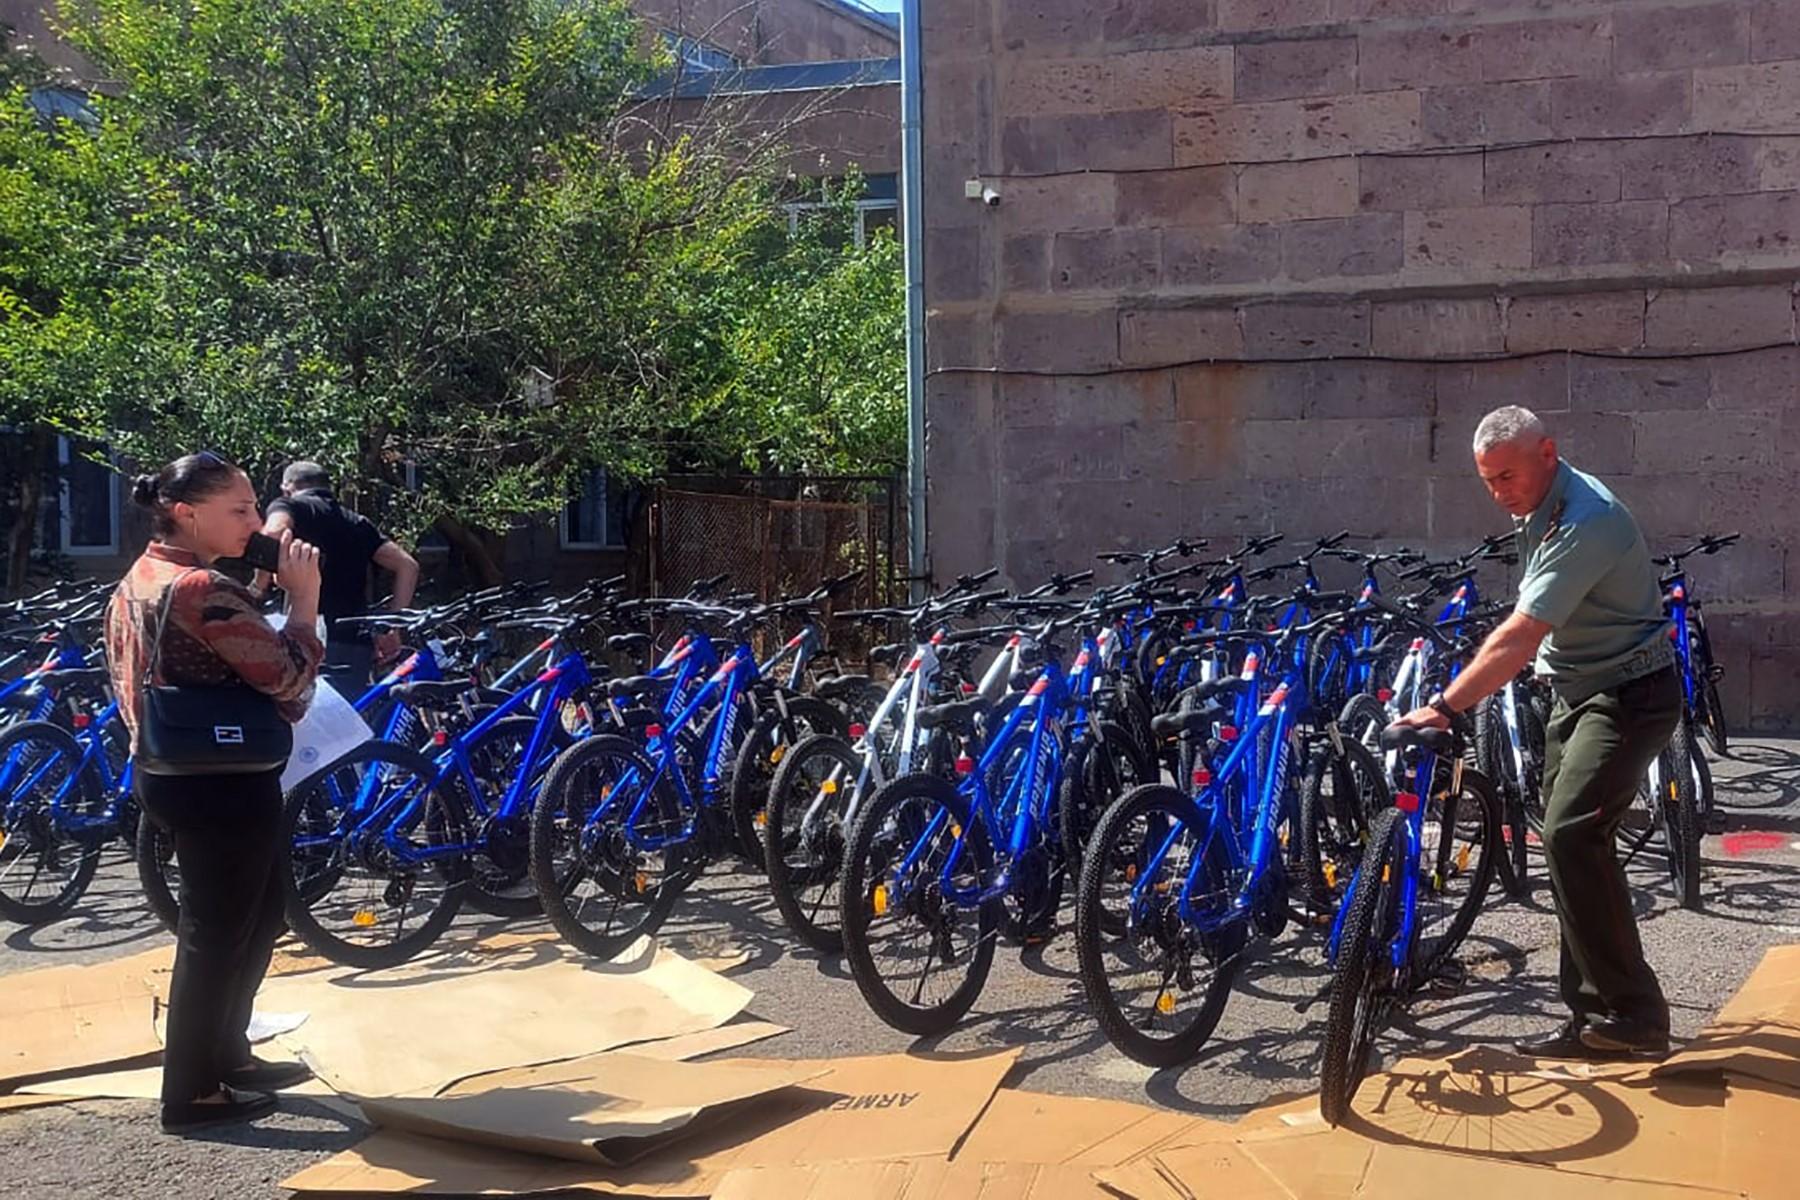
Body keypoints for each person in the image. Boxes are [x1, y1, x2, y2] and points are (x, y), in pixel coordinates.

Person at [1394, 405, 1679, 1059]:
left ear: (1548, 453)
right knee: (1567, 845)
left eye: (1507, 477)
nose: (1499, 493)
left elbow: (1523, 633)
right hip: (1578, 693)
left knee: (1572, 832)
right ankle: (1592, 1018)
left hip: (1629, 694)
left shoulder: (1588, 518)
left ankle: (1637, 1015)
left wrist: (1445, 704)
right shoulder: (1540, 503)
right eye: (1488, 480)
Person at [103, 451, 326, 1134]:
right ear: (185, 513)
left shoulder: (143, 577)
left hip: (171, 772)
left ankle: (229, 1053)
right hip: (223, 784)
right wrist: (304, 602)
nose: (257, 521)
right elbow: (292, 685)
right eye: (240, 510)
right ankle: (192, 1090)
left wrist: (254, 592)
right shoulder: (204, 588)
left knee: (259, 916)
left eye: (256, 507)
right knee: (214, 934)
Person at [261, 461, 419, 693]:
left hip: (307, 634)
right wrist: (390, 625)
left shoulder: (289, 506)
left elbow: (273, 533)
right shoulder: (357, 522)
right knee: (347, 717)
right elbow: (408, 566)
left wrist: (259, 584)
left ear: (287, 488)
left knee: (302, 718)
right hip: (354, 638)